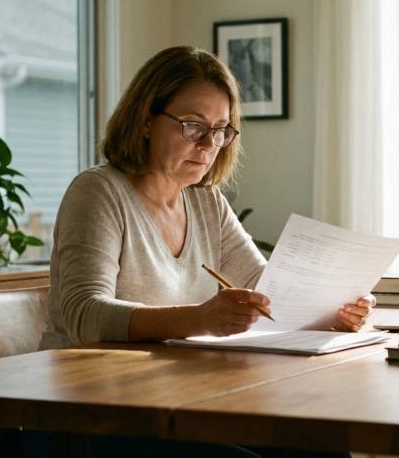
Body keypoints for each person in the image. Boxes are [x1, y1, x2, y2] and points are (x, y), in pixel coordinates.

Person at [32, 46, 374, 457]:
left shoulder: (206, 201)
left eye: (221, 129)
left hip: (176, 404)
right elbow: (84, 314)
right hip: (89, 417)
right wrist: (200, 318)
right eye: (193, 127)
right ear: (145, 120)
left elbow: (268, 290)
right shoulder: (98, 192)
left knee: (322, 448)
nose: (210, 144)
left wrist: (335, 308)